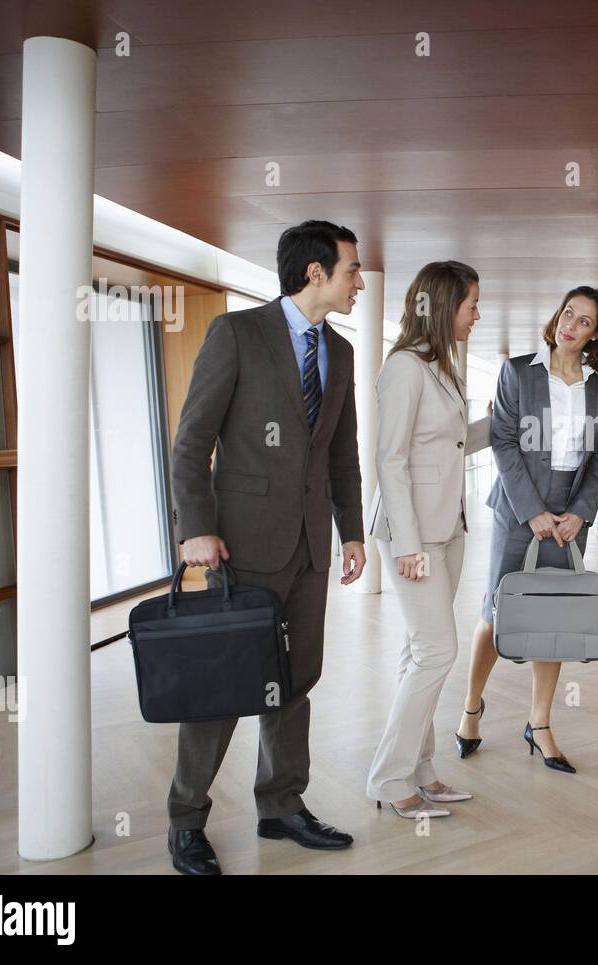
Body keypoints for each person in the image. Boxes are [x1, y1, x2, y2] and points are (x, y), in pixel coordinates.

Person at [167, 220, 368, 875]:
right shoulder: (237, 335)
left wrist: (353, 531)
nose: (359, 281)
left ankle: (281, 805)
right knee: (222, 688)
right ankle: (186, 819)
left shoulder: (340, 353)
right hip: (238, 548)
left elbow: (342, 453)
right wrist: (195, 526)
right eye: (351, 269)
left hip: (310, 548)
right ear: (315, 273)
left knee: (295, 682)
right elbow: (191, 442)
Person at [455, 286, 598, 774]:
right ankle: (471, 709)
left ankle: (540, 723)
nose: (571, 324)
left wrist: (581, 513)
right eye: (568, 313)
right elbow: (504, 442)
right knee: (496, 606)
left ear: (595, 334)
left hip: (571, 512)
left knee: (556, 617)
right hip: (517, 508)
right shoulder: (518, 372)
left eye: (584, 321)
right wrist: (531, 511)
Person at [367, 260, 491, 817]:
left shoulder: (443, 366)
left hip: (449, 528)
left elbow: (450, 442)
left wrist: (499, 423)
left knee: (420, 651)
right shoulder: (404, 368)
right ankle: (391, 781)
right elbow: (389, 460)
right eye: (470, 305)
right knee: (438, 650)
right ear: (444, 307)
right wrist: (408, 545)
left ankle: (420, 770)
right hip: (413, 534)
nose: (476, 314)